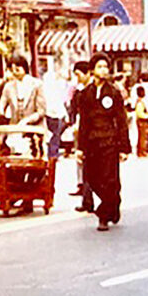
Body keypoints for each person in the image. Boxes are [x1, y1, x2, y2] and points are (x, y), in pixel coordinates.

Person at [76, 54, 130, 231]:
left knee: (109, 179)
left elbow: (121, 120)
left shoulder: (114, 93)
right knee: (93, 178)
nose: (103, 70)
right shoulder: (84, 94)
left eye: (106, 67)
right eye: (99, 67)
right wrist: (80, 147)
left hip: (109, 141)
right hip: (92, 142)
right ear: (92, 70)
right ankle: (113, 204)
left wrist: (124, 147)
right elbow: (83, 122)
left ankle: (104, 215)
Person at [67, 60, 94, 212]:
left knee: (90, 166)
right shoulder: (79, 90)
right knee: (83, 164)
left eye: (78, 74)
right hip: (80, 130)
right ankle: (86, 197)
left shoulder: (92, 89)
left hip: (90, 132)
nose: (77, 78)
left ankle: (90, 199)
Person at [0, 55, 46, 127]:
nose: (15, 72)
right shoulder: (9, 86)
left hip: (35, 129)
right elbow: (1, 104)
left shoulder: (37, 84)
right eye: (12, 70)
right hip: (15, 128)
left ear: (24, 68)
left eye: (17, 69)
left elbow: (41, 111)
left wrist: (27, 120)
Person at [42, 66, 70, 159]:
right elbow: (58, 103)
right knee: (55, 135)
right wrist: (64, 114)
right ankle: (53, 154)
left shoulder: (45, 90)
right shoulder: (53, 91)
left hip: (48, 115)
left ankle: (51, 153)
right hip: (55, 115)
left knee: (52, 135)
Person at [134, 86, 148, 157]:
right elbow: (139, 113)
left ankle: (141, 151)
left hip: (141, 121)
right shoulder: (140, 103)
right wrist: (147, 116)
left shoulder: (139, 102)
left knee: (142, 136)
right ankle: (142, 151)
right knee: (143, 137)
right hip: (142, 121)